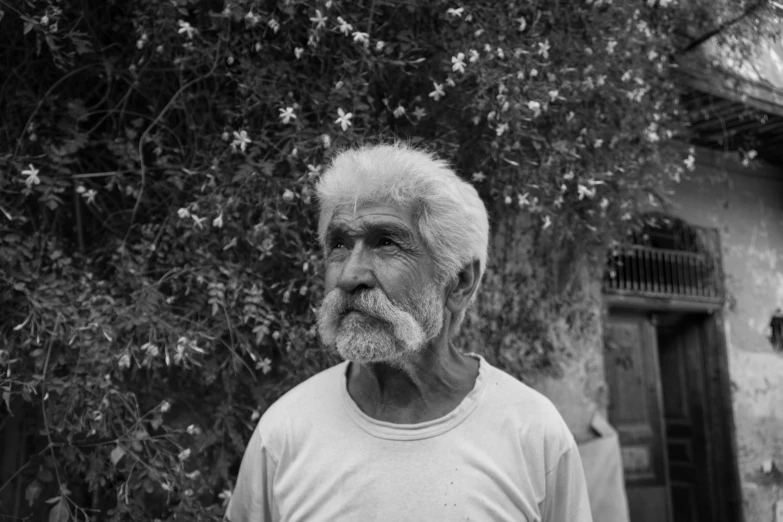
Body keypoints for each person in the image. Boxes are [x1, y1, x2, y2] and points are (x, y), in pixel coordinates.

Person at [225, 143, 592, 522]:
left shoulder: (533, 432)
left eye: (386, 243)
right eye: (338, 245)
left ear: (460, 282)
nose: (350, 276)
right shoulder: (283, 433)